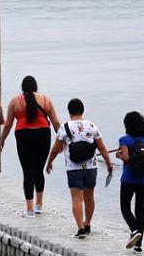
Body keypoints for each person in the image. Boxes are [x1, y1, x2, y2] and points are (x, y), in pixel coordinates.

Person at [45, 98, 113, 238]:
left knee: (77, 198)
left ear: (69, 112)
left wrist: (49, 162)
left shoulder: (65, 127)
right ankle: (87, 224)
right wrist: (108, 163)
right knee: (89, 197)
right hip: (91, 167)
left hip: (73, 168)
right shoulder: (92, 126)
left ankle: (80, 229)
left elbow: (56, 149)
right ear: (82, 111)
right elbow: (102, 147)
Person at [0, 76, 61, 217]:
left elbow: (7, 124)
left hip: (23, 136)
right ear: (36, 86)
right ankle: (39, 205)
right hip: (43, 135)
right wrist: (63, 140)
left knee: (28, 172)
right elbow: (56, 123)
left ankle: (30, 210)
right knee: (39, 170)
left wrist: (2, 140)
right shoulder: (46, 100)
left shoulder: (15, 101)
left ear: (23, 87)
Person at [116, 111, 144, 252]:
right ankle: (139, 245)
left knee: (125, 208)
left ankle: (134, 230)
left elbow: (126, 158)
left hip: (128, 179)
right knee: (140, 211)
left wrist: (118, 154)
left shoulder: (124, 140)